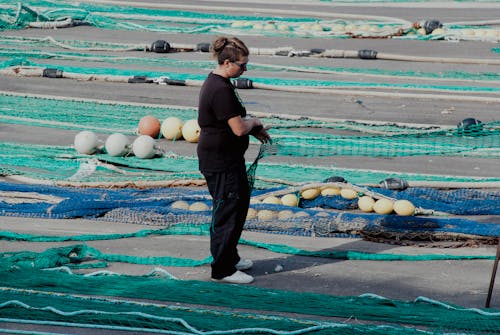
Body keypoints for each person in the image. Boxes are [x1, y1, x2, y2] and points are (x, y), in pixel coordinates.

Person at [197, 36, 271, 284]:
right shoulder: (219, 89)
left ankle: (230, 256)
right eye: (242, 64)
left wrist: (254, 130)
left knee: (238, 207)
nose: (245, 69)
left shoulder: (221, 84)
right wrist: (255, 123)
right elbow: (238, 128)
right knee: (227, 212)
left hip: (229, 159)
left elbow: (234, 124)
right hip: (220, 163)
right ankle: (222, 269)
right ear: (227, 63)